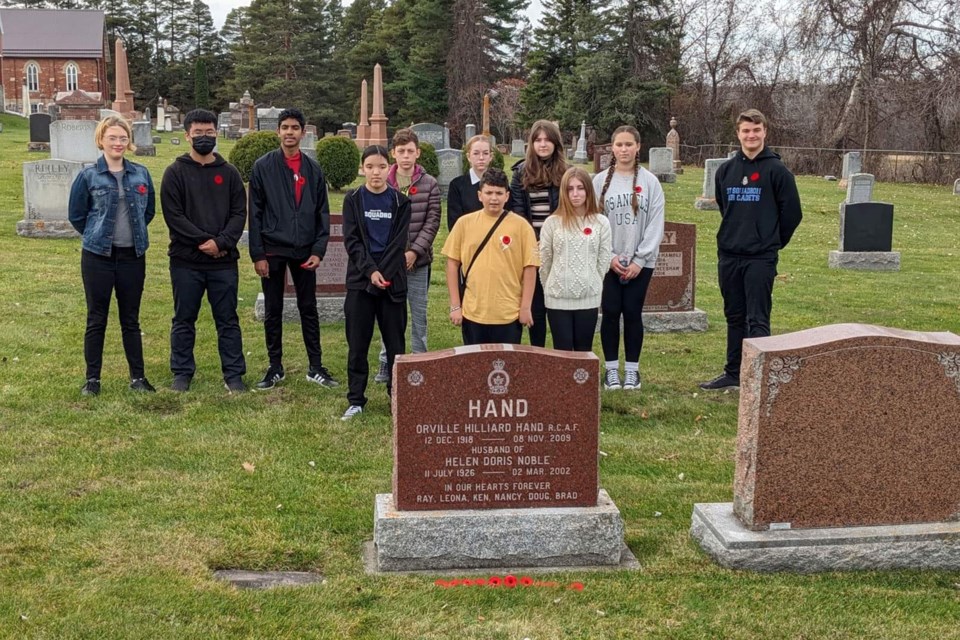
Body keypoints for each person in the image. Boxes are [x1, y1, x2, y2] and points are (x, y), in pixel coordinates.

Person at [699, 109, 802, 391]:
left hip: (760, 258)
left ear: (765, 132)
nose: (751, 135)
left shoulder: (777, 171)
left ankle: (758, 377)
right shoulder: (726, 171)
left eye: (756, 130)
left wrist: (770, 241)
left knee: (757, 318)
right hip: (730, 255)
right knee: (734, 315)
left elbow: (792, 214)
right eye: (746, 131)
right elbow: (725, 207)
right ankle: (733, 373)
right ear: (738, 134)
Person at [248, 108, 339, 391]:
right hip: (273, 249)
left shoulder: (313, 169)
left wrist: (319, 250)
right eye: (285, 127)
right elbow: (256, 213)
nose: (290, 132)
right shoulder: (263, 167)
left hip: (305, 251)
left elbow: (322, 213)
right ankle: (275, 367)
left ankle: (316, 366)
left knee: (308, 307)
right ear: (278, 132)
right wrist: (258, 254)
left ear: (303, 132)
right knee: (273, 309)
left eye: (295, 128)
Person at [160, 109, 248, 393]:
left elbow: (239, 213)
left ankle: (234, 376)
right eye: (198, 133)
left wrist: (221, 243)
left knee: (228, 320)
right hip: (186, 261)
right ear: (187, 136)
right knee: (184, 319)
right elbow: (174, 216)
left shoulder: (229, 173)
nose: (204, 138)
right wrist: (204, 242)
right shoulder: (174, 173)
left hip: (223, 262)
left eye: (209, 133)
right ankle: (182, 374)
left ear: (217, 134)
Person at [68, 115, 156, 396]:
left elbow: (148, 211)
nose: (118, 143)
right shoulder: (88, 175)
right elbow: (77, 215)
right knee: (97, 318)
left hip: (133, 257)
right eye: (113, 138)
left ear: (128, 141)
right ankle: (92, 380)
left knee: (130, 319)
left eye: (123, 138)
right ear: (101, 140)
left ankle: (138, 378)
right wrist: (98, 235)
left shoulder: (141, 173)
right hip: (98, 258)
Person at [341, 145, 411, 420]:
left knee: (395, 344)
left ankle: (397, 397)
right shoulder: (353, 199)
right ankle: (356, 399)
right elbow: (352, 239)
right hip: (361, 282)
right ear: (363, 168)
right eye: (370, 166)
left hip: (392, 281)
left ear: (389, 167)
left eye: (381, 166)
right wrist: (370, 271)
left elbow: (398, 244)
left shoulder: (400, 202)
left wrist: (384, 273)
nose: (376, 172)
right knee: (357, 343)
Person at [593, 125, 665, 391]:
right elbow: (592, 222)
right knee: (610, 312)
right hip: (607, 260)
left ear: (638, 147)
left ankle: (632, 371)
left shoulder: (650, 182)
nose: (624, 150)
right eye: (619, 145)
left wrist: (640, 260)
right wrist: (609, 256)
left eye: (628, 145)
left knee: (633, 312)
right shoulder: (599, 181)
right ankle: (611, 370)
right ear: (612, 148)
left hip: (640, 262)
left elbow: (656, 223)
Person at [372, 128, 441, 384]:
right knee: (388, 312)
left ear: (418, 153)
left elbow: (432, 221)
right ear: (393, 154)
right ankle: (385, 360)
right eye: (401, 151)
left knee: (418, 313)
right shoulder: (384, 182)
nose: (405, 156)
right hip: (388, 263)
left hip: (418, 262)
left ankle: (419, 360)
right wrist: (392, 256)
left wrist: (413, 251)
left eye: (410, 151)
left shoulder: (429, 183)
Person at [442, 168, 539, 346]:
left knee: (505, 370)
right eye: (488, 193)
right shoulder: (464, 224)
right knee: (475, 367)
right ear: (480, 195)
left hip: (508, 313)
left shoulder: (521, 227)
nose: (493, 198)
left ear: (507, 196)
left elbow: (530, 268)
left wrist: (525, 307)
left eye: (499, 193)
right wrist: (456, 305)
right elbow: (452, 265)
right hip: (473, 312)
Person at [507, 120, 567, 347]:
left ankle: (562, 357)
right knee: (536, 307)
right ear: (531, 143)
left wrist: (551, 241)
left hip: (559, 245)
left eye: (547, 140)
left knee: (559, 307)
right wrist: (534, 242)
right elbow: (518, 211)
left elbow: (567, 210)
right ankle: (537, 355)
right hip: (531, 246)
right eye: (537, 140)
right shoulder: (520, 173)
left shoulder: (567, 172)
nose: (542, 144)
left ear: (555, 143)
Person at [539, 167, 612, 352]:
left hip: (588, 298)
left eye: (580, 188)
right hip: (557, 298)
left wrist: (591, 282)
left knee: (583, 351)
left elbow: (603, 260)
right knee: (562, 353)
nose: (575, 194)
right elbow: (545, 261)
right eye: (570, 189)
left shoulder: (601, 223)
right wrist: (553, 287)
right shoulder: (552, 223)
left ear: (588, 190)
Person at [446, 135, 492, 231]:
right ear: (468, 156)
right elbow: (454, 223)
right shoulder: (457, 185)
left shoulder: (499, 184)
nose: (481, 158)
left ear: (490, 156)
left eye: (485, 153)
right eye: (476, 153)